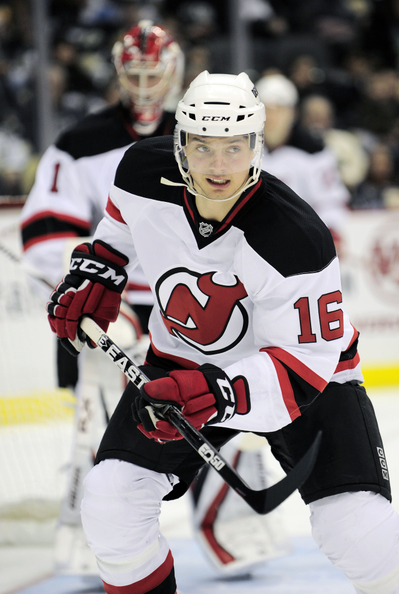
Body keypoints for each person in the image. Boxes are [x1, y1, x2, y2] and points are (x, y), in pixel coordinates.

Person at [47, 70, 399, 594]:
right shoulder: (143, 170)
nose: (218, 165)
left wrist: (217, 392)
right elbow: (119, 225)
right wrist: (101, 268)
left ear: (256, 146)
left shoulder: (296, 238)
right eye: (203, 147)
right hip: (183, 361)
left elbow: (304, 366)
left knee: (356, 532)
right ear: (180, 141)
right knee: (111, 498)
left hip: (308, 380)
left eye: (234, 148)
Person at [20, 21, 285, 576]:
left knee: (216, 398)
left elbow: (250, 215)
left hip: (192, 301)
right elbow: (45, 235)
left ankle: (233, 532)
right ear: (119, 72)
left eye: (153, 72)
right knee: (101, 395)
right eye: (134, 73)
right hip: (115, 304)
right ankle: (98, 543)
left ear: (174, 72)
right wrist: (95, 281)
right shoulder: (78, 144)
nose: (143, 85)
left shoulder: (201, 136)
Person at [255, 72, 351, 245]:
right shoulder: (241, 151)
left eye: (279, 110)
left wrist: (329, 232)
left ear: (292, 113)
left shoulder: (314, 153)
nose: (272, 118)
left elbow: (331, 203)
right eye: (266, 110)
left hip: (302, 243)